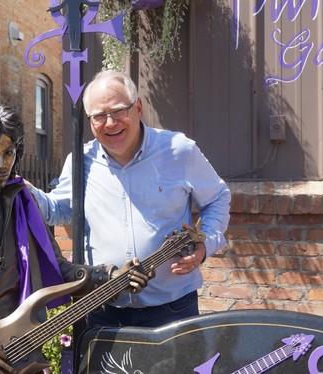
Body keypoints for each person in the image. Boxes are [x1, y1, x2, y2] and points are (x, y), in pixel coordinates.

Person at [0, 102, 152, 373]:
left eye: (8, 152)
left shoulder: (26, 202)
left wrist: (110, 277)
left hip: (23, 352)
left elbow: (60, 270)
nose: (2, 164)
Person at [28, 70, 231, 329]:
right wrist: (21, 188)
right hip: (104, 306)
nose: (110, 123)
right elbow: (58, 210)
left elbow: (218, 198)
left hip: (172, 307)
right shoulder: (81, 162)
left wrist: (205, 246)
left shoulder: (179, 151)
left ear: (138, 107)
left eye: (118, 111)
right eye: (99, 116)